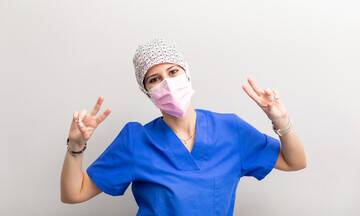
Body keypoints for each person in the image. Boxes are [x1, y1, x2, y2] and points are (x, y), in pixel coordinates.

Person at [61, 38, 306, 215]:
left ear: (187, 74)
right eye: (154, 79)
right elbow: (74, 193)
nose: (166, 83)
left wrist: (281, 119)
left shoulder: (231, 130)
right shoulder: (136, 140)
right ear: (148, 92)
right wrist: (76, 147)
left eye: (173, 71)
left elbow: (294, 162)